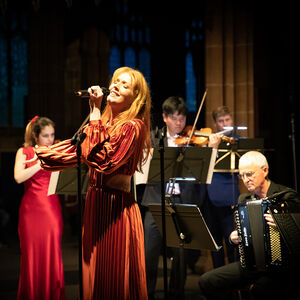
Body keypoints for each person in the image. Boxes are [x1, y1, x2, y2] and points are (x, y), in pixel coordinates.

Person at [34, 67, 151, 299]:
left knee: (113, 279)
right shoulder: (103, 123)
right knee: (94, 276)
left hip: (116, 209)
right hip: (96, 204)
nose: (115, 85)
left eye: (124, 85)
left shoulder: (133, 127)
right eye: (115, 81)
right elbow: (76, 149)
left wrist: (95, 110)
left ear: (135, 98)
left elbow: (102, 159)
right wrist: (45, 154)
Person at [198, 151, 300, 300]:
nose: (245, 180)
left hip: (282, 268)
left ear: (265, 170)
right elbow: (239, 237)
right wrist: (233, 238)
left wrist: (282, 224)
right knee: (207, 281)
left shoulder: (287, 196)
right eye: (242, 175)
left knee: (261, 289)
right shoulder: (244, 199)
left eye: (250, 174)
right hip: (251, 265)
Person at [141, 96, 213, 299]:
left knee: (180, 254)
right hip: (156, 200)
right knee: (149, 253)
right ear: (164, 117)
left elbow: (201, 173)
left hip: (182, 202)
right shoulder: (154, 139)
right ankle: (147, 293)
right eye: (174, 118)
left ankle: (176, 294)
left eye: (182, 119)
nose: (179, 123)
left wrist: (209, 148)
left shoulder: (192, 143)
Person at [14, 116, 65, 300]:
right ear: (36, 136)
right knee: (31, 256)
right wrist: (40, 163)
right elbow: (19, 177)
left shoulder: (55, 150)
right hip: (31, 211)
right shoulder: (24, 151)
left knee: (52, 252)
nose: (50, 140)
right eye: (45, 136)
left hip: (51, 209)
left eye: (52, 135)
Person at [205, 106, 239, 268]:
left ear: (232, 120)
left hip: (228, 198)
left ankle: (235, 285)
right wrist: (212, 148)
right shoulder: (210, 142)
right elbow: (203, 169)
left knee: (232, 243)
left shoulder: (237, 144)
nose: (224, 124)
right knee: (215, 245)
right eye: (220, 121)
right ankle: (218, 283)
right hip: (209, 200)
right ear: (215, 124)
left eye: (227, 120)